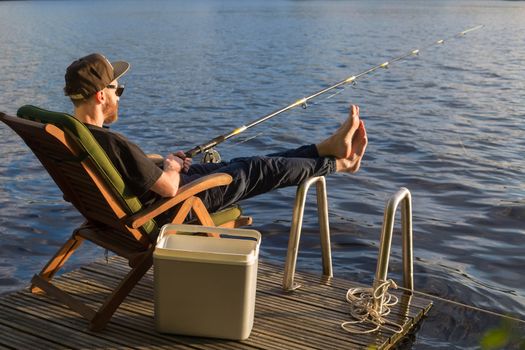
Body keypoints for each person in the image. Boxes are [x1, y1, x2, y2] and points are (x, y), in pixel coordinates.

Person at [63, 53, 368, 223]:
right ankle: (340, 165)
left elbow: (123, 168)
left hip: (142, 200)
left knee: (248, 162)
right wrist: (169, 168)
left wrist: (159, 161)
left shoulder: (75, 135)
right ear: (102, 95)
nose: (120, 96)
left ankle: (326, 148)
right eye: (119, 90)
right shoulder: (111, 142)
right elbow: (168, 188)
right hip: (172, 205)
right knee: (258, 168)